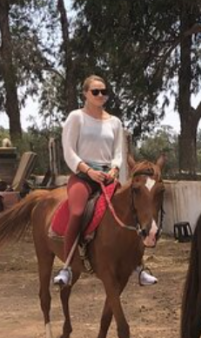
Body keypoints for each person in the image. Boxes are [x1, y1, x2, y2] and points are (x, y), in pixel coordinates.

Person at [53, 74, 157, 288]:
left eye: (104, 92)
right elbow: (69, 151)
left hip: (108, 176)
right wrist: (88, 171)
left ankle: (139, 266)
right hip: (83, 176)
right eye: (95, 91)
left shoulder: (115, 122)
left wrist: (115, 169)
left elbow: (119, 152)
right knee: (77, 212)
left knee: (132, 212)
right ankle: (67, 267)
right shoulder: (76, 118)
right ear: (85, 94)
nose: (100, 95)